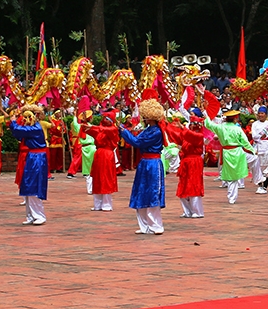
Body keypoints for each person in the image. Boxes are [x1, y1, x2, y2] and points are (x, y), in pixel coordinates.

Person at [120, 97, 167, 235]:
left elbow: (137, 143)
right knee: (141, 192)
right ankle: (144, 226)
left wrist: (124, 131)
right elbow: (137, 139)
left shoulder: (156, 131)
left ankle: (156, 226)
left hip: (153, 164)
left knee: (152, 193)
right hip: (144, 163)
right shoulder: (148, 130)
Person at [203, 110, 257, 204]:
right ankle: (257, 179)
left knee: (230, 176)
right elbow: (245, 142)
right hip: (237, 152)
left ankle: (231, 196)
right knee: (237, 174)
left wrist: (205, 113)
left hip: (226, 153)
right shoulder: (237, 129)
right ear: (235, 119)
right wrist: (253, 150)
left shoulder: (220, 127)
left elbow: (208, 124)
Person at [8, 105, 49, 225]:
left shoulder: (35, 128)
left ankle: (39, 215)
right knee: (27, 185)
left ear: (34, 117)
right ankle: (30, 215)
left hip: (37, 158)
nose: (26, 119)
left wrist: (13, 121)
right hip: (32, 157)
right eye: (24, 117)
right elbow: (18, 134)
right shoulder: (30, 128)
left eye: (28, 117)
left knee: (33, 186)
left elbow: (19, 130)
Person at [84, 110, 120, 211]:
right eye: (104, 118)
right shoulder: (100, 129)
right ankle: (97, 205)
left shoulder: (113, 129)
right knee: (97, 178)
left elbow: (100, 129)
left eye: (107, 118)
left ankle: (107, 205)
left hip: (107, 155)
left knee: (106, 178)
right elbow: (87, 129)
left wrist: (93, 127)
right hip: (99, 154)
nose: (104, 120)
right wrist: (84, 120)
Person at [174, 112, 206, 218]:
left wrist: (183, 128)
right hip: (186, 162)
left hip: (195, 162)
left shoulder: (199, 136)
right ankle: (187, 211)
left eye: (195, 123)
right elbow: (177, 138)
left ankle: (197, 211)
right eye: (192, 123)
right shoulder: (187, 134)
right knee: (183, 186)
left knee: (193, 185)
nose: (193, 125)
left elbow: (191, 136)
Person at [250, 106, 268, 194]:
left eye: (262, 113)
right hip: (258, 146)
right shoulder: (255, 124)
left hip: (267, 146)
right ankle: (259, 185)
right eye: (259, 113)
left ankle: (264, 186)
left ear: (265, 115)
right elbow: (254, 136)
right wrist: (261, 135)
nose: (260, 115)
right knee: (258, 166)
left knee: (266, 166)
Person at [48, 109, 66, 174]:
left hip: (60, 139)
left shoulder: (62, 121)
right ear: (55, 114)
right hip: (54, 139)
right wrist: (59, 127)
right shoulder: (53, 121)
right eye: (58, 113)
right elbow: (53, 130)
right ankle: (52, 168)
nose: (59, 114)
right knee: (53, 154)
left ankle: (59, 167)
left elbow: (64, 131)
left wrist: (63, 129)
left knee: (60, 155)